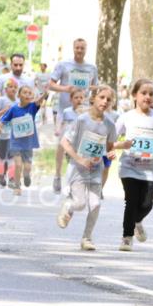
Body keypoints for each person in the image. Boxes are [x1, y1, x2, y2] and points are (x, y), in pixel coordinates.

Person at [56, 87, 118, 251]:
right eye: (102, 97)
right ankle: (68, 207)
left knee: (96, 204)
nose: (105, 102)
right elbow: (64, 142)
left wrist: (110, 154)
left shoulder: (110, 124)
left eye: (108, 99)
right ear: (93, 99)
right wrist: (80, 159)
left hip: (96, 169)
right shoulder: (82, 120)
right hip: (78, 169)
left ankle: (87, 238)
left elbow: (109, 146)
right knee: (80, 203)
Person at [113, 79, 153, 251]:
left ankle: (137, 221)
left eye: (151, 94)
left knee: (147, 204)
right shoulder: (126, 117)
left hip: (149, 170)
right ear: (134, 95)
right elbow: (111, 139)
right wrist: (116, 147)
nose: (147, 97)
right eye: (143, 93)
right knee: (131, 201)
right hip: (129, 166)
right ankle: (127, 237)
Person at [48, 38, 99, 192]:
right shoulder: (64, 65)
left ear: (86, 49)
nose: (79, 50)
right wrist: (65, 89)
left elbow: (94, 87)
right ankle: (57, 175)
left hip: (83, 111)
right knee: (62, 144)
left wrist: (92, 99)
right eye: (77, 48)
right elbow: (50, 84)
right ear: (73, 48)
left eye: (82, 48)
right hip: (65, 111)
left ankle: (78, 178)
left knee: (81, 145)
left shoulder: (91, 67)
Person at [0, 84, 49, 195]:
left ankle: (26, 175)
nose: (27, 95)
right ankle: (17, 186)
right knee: (18, 164)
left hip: (29, 142)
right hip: (16, 141)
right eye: (24, 92)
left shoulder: (32, 107)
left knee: (27, 167)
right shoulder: (14, 108)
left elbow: (40, 99)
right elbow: (4, 119)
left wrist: (45, 93)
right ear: (18, 95)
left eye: (30, 93)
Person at [0, 78, 18, 187]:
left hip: (14, 133)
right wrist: (4, 110)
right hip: (3, 132)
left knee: (12, 156)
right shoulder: (1, 100)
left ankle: (11, 178)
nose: (13, 89)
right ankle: (1, 175)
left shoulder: (18, 101)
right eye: (10, 87)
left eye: (15, 87)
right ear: (5, 89)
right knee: (3, 156)